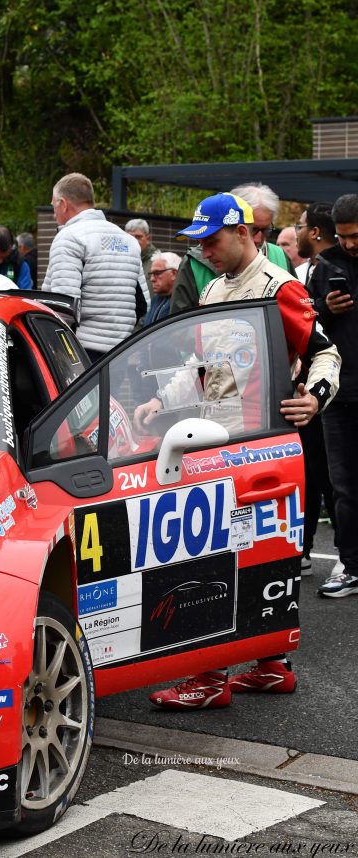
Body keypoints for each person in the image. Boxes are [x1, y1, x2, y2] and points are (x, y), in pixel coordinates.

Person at [134, 192, 340, 709]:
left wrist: (313, 400)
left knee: (220, 557)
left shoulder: (280, 288)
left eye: (213, 240)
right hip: (217, 438)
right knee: (253, 554)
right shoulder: (212, 294)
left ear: (245, 232)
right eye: (199, 244)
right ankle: (271, 666)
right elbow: (205, 373)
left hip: (262, 444)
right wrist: (160, 398)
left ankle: (207, 679)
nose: (205, 251)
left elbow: (325, 352)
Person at [307, 194, 358, 598]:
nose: (351, 243)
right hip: (340, 396)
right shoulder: (323, 268)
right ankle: (351, 565)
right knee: (343, 487)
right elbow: (307, 325)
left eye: (356, 235)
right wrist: (326, 307)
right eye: (343, 237)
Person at [42, 172, 146, 362]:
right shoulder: (128, 241)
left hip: (82, 351)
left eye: (53, 205)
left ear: (63, 204)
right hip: (122, 351)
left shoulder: (69, 237)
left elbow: (63, 307)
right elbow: (142, 302)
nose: (54, 213)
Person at [171, 182, 293, 316]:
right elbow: (181, 328)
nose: (258, 239)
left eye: (265, 230)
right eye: (254, 229)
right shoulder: (198, 270)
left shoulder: (282, 265)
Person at [295, 202, 338, 573]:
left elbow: (316, 326)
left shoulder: (333, 269)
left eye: (299, 225)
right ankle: (305, 551)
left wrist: (323, 306)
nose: (294, 232)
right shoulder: (306, 270)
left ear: (314, 232)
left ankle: (345, 556)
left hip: (334, 389)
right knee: (314, 474)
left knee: (334, 478)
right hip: (310, 391)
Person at [141, 252, 179, 327]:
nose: (152, 279)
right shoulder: (154, 301)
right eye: (151, 274)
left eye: (157, 273)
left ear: (174, 273)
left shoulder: (183, 303)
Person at [125, 219, 157, 299]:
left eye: (138, 237)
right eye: (130, 237)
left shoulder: (157, 261)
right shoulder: (120, 259)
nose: (134, 241)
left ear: (148, 239)